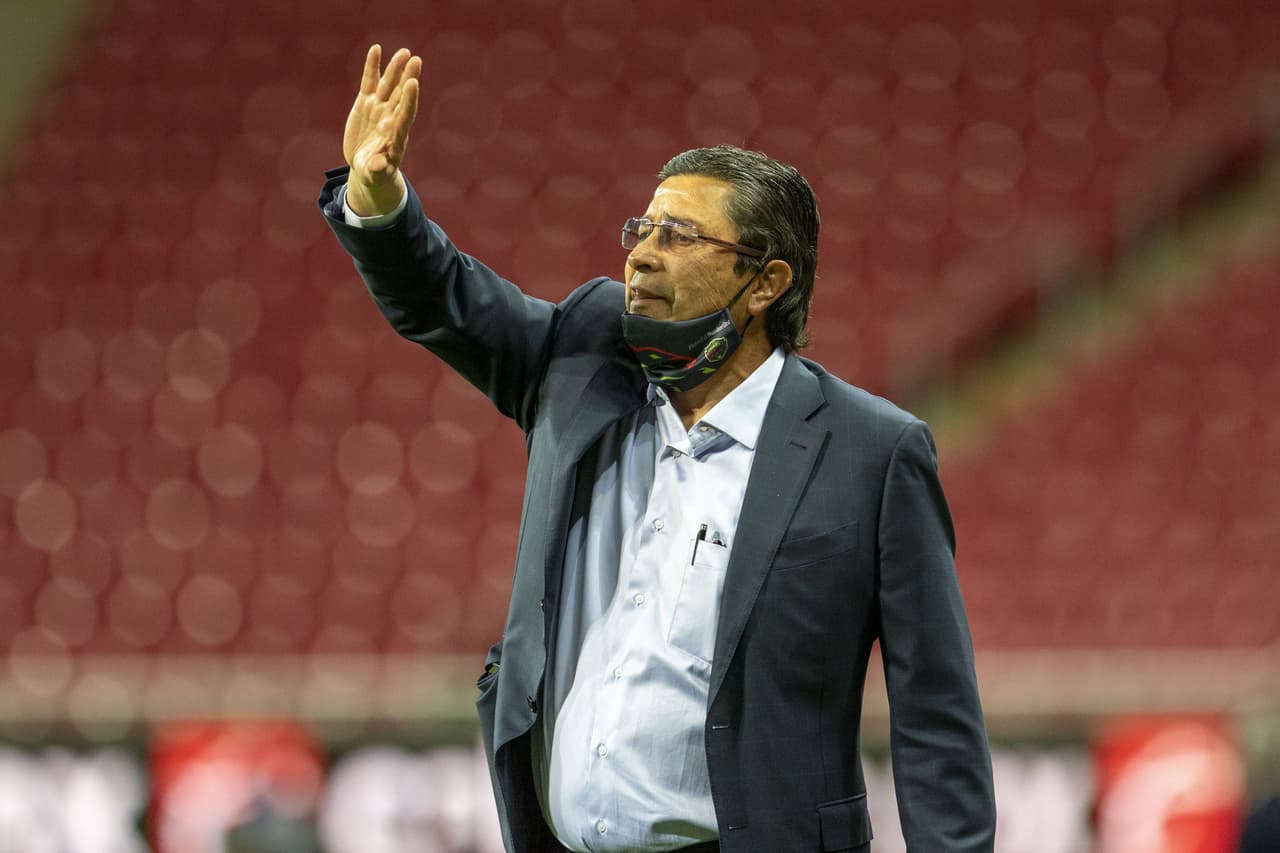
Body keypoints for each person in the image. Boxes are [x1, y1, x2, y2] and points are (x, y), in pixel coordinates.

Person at [319, 45, 996, 853]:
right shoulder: (582, 357)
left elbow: (936, 719)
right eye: (643, 228)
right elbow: (446, 300)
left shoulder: (871, 452)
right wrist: (378, 197)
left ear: (766, 282)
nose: (640, 252)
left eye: (680, 236)